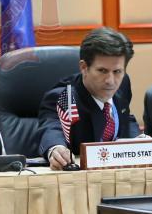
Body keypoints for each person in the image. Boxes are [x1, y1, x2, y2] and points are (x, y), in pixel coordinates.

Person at [38, 27, 138, 171]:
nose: (110, 81)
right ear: (84, 67)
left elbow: (125, 117)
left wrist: (138, 141)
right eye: (102, 71)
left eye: (117, 71)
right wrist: (56, 148)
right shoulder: (64, 97)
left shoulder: (123, 83)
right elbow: (52, 127)